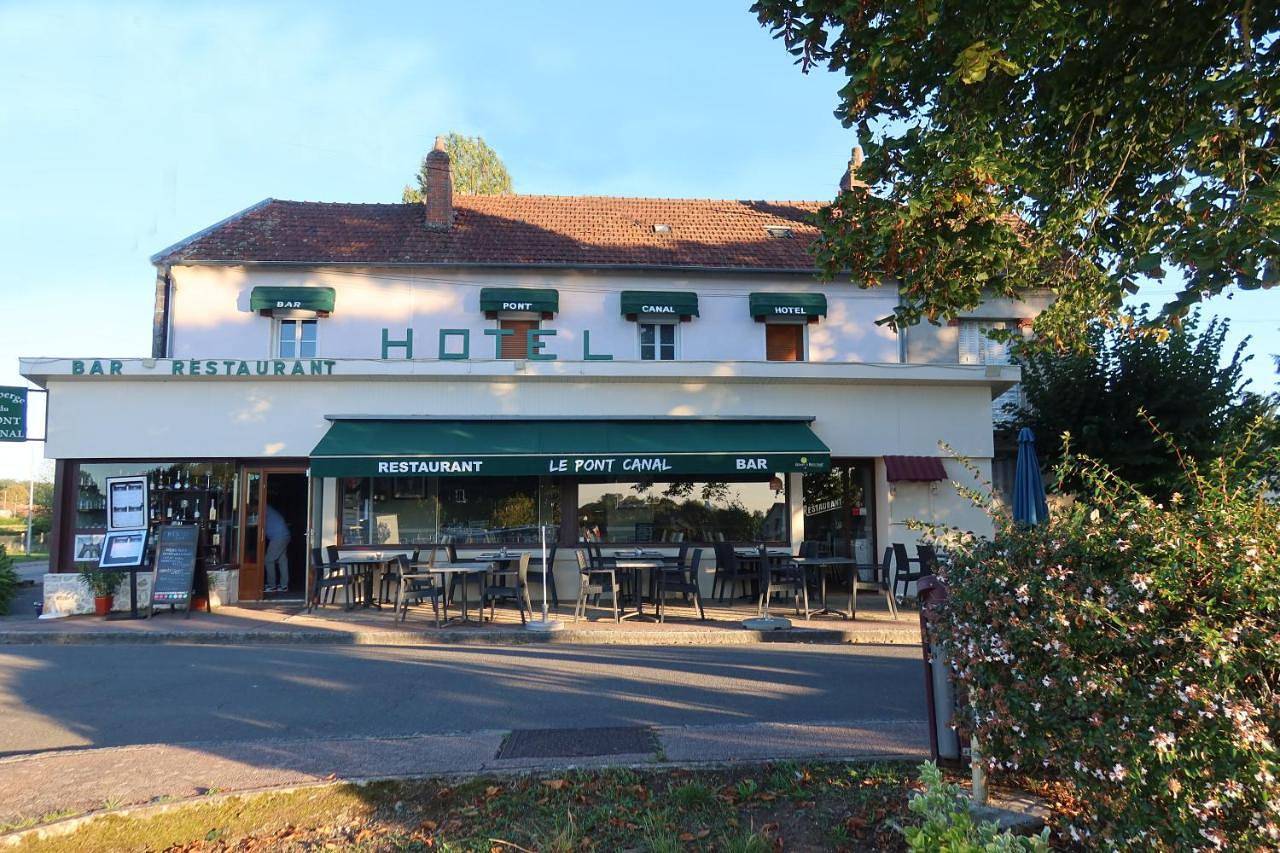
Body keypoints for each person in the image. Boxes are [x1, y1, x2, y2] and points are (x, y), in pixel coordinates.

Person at [263, 503, 290, 593]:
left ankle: (272, 586)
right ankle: (284, 586)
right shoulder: (269, 510)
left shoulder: (264, 509)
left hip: (278, 537)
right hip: (284, 535)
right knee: (282, 560)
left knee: (268, 560)